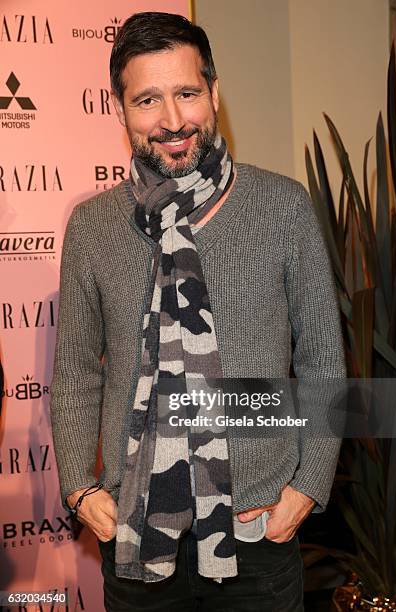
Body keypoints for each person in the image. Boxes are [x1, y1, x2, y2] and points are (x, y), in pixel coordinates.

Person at [50, 11, 345, 612]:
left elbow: (322, 361)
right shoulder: (91, 227)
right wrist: (81, 488)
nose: (173, 120)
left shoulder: (282, 206)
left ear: (215, 92)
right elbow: (78, 370)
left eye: (187, 93)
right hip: (134, 542)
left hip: (258, 539)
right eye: (148, 100)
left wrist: (306, 490)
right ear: (121, 109)